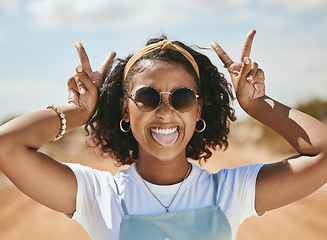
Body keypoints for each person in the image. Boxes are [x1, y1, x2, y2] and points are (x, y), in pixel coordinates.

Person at [0, 29, 326, 240]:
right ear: (124, 111)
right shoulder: (97, 195)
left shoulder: (232, 191)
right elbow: (7, 146)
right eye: (147, 97)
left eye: (183, 98)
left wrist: (258, 106)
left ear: (200, 110)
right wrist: (78, 113)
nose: (166, 113)